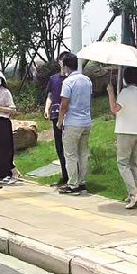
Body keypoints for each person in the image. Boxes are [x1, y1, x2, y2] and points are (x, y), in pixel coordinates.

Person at [108, 67, 137, 209]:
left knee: (123, 163)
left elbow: (114, 109)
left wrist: (111, 93)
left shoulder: (125, 93)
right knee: (134, 164)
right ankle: (133, 193)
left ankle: (134, 193)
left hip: (125, 131)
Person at [57, 53, 92, 195]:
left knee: (70, 154)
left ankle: (73, 184)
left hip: (72, 123)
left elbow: (64, 104)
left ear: (65, 66)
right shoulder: (87, 80)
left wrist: (60, 121)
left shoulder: (68, 82)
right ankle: (82, 182)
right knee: (83, 153)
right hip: (86, 121)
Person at [44, 52, 73, 186]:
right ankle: (65, 176)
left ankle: (73, 177)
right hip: (56, 116)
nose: (62, 62)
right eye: (61, 60)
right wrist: (46, 108)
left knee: (70, 149)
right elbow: (50, 95)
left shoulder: (72, 79)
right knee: (59, 147)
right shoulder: (53, 79)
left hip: (70, 117)